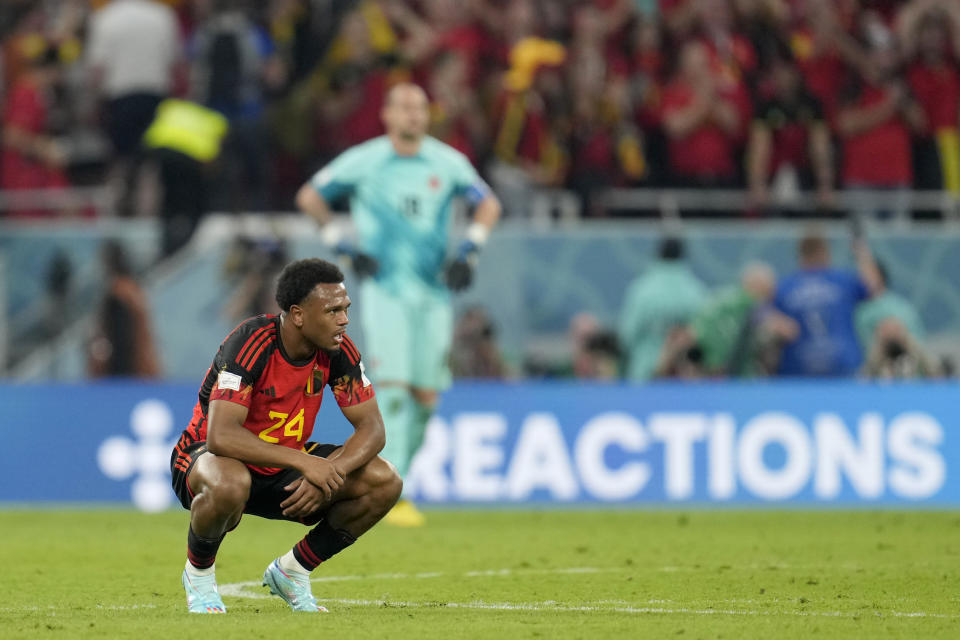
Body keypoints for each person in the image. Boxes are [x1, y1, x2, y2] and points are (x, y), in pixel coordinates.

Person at [295, 83, 501, 527]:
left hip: (433, 292)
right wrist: (343, 245)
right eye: (404, 107)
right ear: (386, 114)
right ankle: (391, 485)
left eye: (420, 108)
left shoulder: (447, 163)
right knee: (394, 387)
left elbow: (488, 205)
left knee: (427, 395)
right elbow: (310, 196)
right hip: (386, 290)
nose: (412, 115)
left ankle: (396, 478)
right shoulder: (365, 160)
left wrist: (470, 249)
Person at [170, 258, 401, 614]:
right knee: (229, 483)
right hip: (210, 459)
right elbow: (221, 436)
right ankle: (199, 575)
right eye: (333, 311)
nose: (344, 320)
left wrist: (331, 470)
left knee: (383, 481)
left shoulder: (339, 351)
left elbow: (372, 429)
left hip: (282, 462)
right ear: (298, 314)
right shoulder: (251, 343)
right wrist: (306, 463)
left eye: (346, 309)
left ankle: (292, 571)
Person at [774, 228, 882, 377]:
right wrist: (861, 250)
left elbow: (762, 312)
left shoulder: (785, 287)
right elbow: (873, 286)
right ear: (824, 252)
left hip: (799, 372)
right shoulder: (841, 281)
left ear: (800, 254)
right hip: (842, 369)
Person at [618, 236, 708, 382]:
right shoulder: (696, 291)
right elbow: (702, 336)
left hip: (645, 371)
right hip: (682, 376)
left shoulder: (642, 290)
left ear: (658, 254)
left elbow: (627, 335)